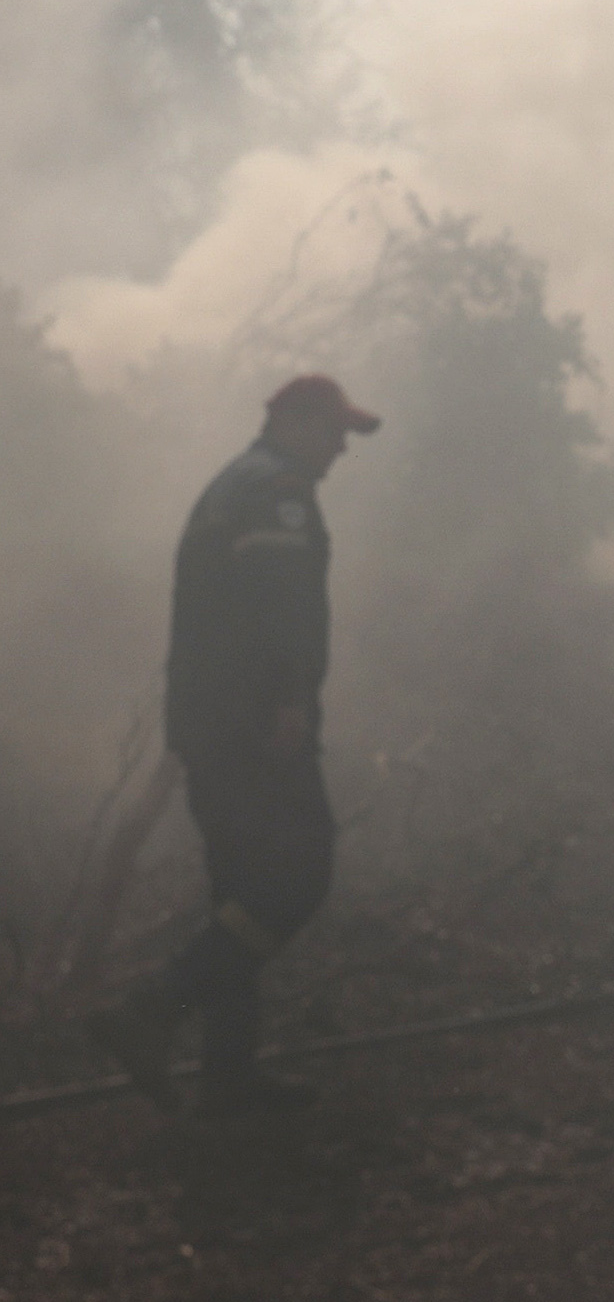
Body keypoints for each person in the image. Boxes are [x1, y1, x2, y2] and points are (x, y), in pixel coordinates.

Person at [88, 372, 379, 1116]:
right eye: (337, 432)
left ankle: (228, 1077)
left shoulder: (234, 485)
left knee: (239, 893)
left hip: (214, 725)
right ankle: (152, 1010)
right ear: (300, 422)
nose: (342, 450)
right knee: (296, 874)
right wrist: (286, 698)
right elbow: (277, 602)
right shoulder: (273, 489)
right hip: (253, 727)